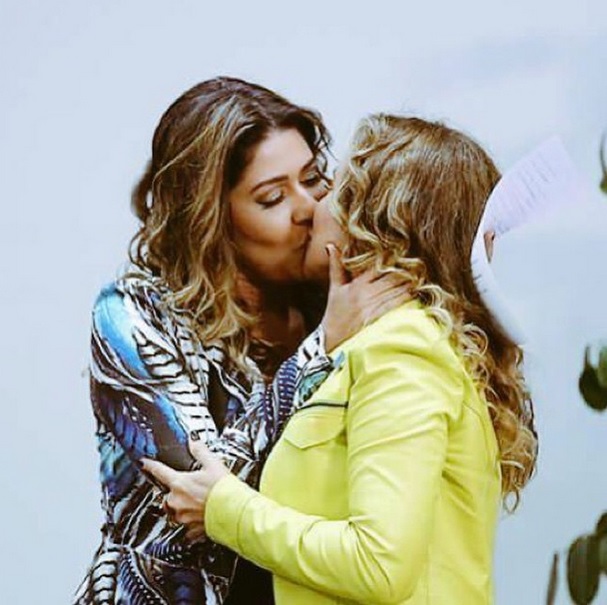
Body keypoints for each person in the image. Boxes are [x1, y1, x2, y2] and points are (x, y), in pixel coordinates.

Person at [144, 114, 539, 604]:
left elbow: (379, 565)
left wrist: (224, 509)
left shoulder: (402, 351)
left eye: (335, 187)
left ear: (374, 222)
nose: (314, 205)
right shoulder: (387, 344)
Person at [73, 79, 408, 605]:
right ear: (210, 220)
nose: (308, 208)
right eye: (272, 197)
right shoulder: (133, 314)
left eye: (313, 179)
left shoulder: (332, 300)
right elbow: (194, 493)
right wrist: (321, 350)